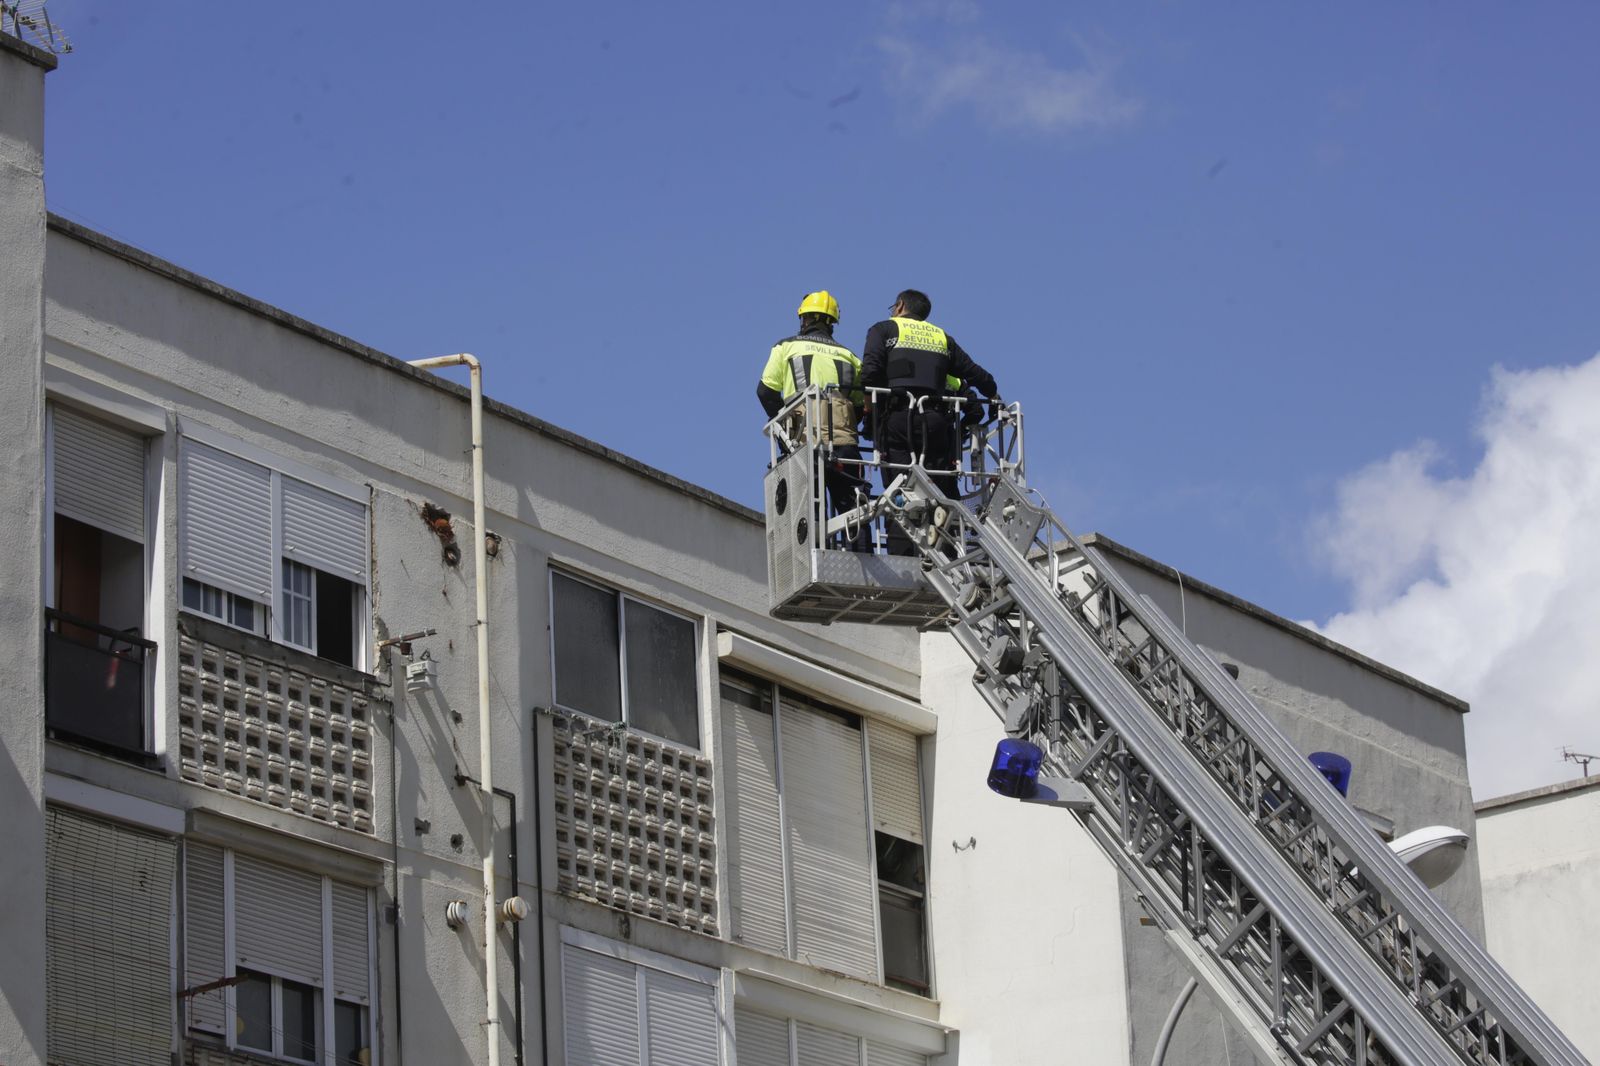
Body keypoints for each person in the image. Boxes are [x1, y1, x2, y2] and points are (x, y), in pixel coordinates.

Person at [861, 289, 1000, 555]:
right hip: (936, 424)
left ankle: (903, 556)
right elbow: (976, 373)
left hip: (898, 421)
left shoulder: (884, 330)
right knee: (942, 492)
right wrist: (993, 394)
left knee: (899, 493)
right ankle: (950, 555)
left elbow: (870, 374)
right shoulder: (941, 338)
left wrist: (870, 414)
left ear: (900, 305)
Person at [757, 291, 872, 551]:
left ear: (805, 319)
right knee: (853, 506)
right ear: (831, 322)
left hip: (803, 439)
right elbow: (859, 403)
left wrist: (782, 426)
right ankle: (863, 558)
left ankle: (812, 554)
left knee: (808, 504)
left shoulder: (786, 347)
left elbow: (765, 391)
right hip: (845, 442)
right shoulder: (849, 357)